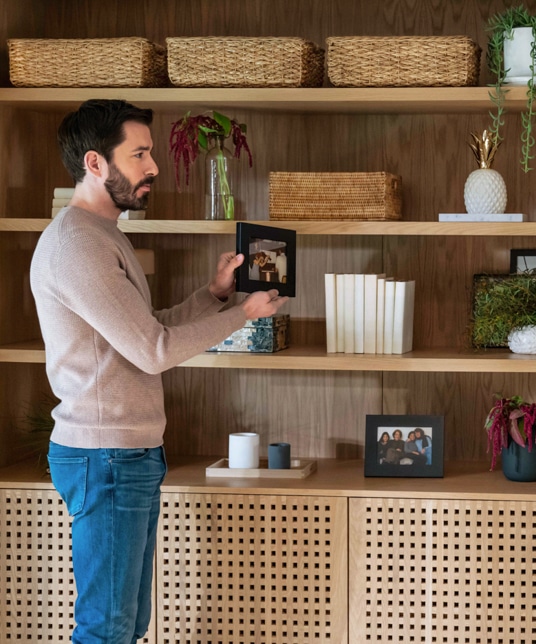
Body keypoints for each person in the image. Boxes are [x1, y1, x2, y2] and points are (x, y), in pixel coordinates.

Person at [30, 99, 288, 643]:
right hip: (107, 456)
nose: (153, 167)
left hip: (126, 452)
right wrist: (241, 313)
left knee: (126, 623)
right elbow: (154, 350)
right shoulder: (77, 244)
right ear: (96, 163)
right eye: (140, 154)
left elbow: (141, 333)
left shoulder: (103, 234)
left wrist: (213, 295)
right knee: (108, 627)